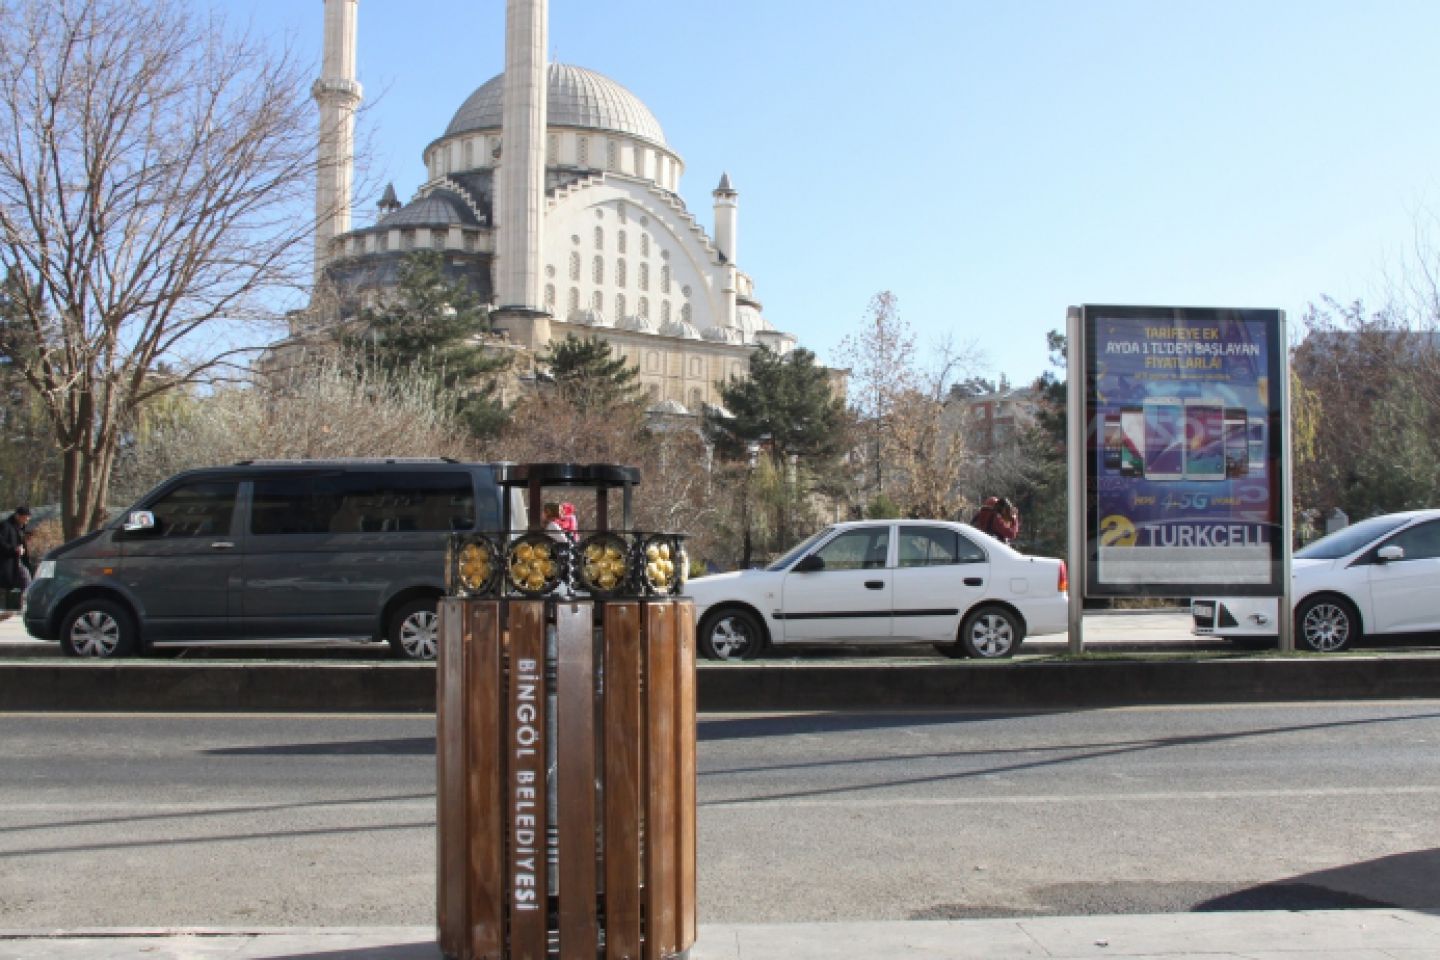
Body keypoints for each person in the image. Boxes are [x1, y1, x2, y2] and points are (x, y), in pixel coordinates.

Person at [0, 505, 33, 597]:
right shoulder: (5, 526)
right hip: (9, 562)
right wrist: (15, 549)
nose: (27, 521)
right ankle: (25, 606)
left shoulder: (19, 528)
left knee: (27, 583)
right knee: (27, 582)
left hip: (17, 562)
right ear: (18, 516)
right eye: (25, 519)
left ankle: (24, 605)